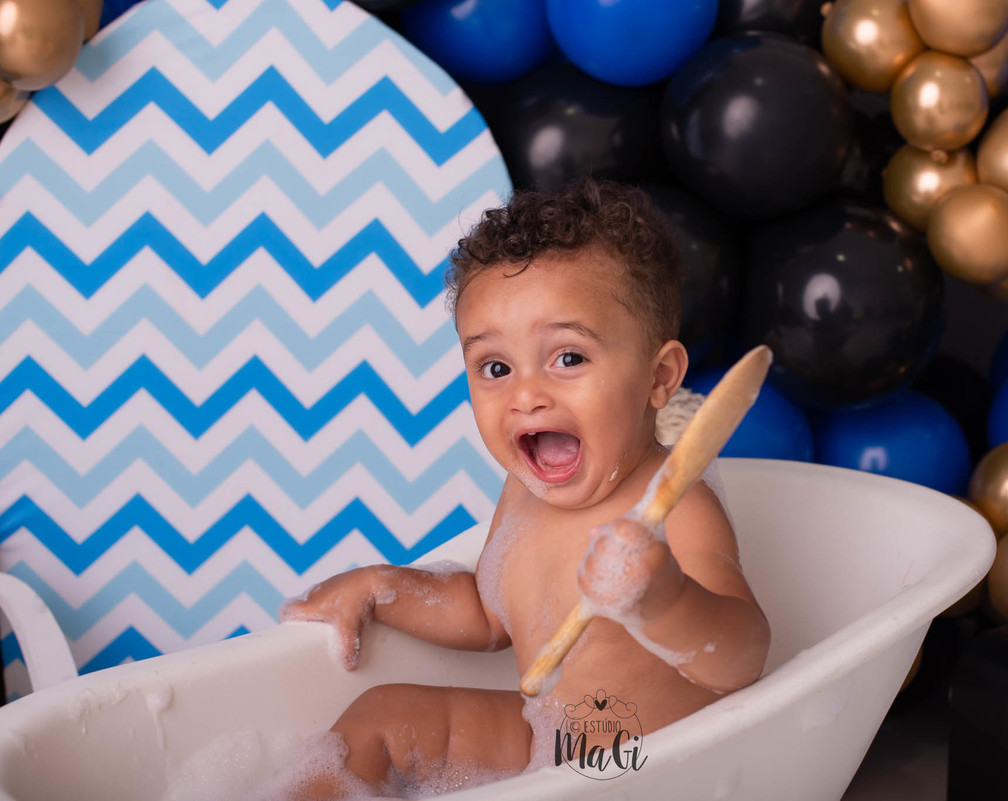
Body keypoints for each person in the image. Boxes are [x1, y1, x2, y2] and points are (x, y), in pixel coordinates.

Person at [279, 178, 771, 798]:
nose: (526, 394)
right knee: (381, 716)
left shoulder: (674, 511)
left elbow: (742, 658)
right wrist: (385, 586)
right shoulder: (523, 493)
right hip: (552, 743)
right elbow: (490, 616)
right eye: (496, 367)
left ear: (659, 377)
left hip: (643, 770)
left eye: (568, 358)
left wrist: (663, 600)